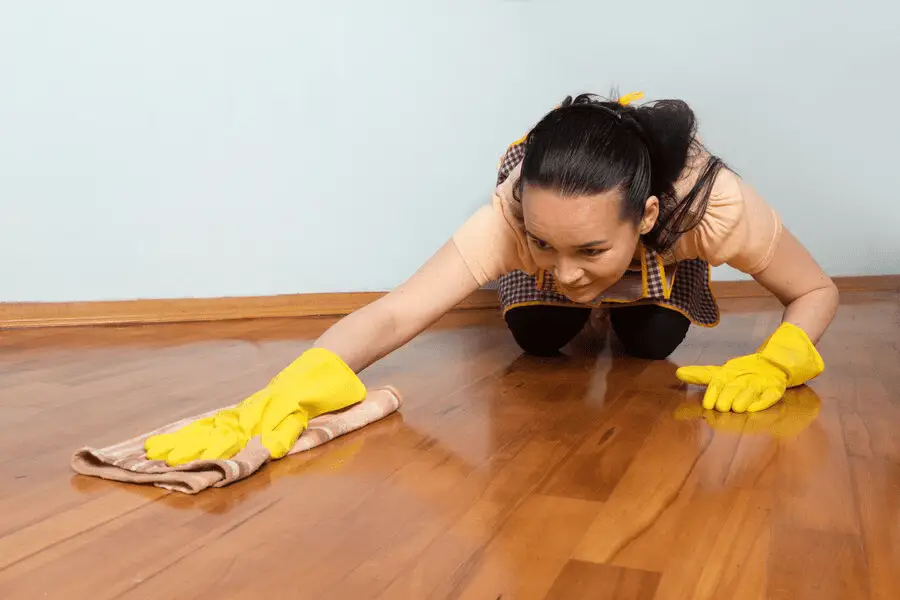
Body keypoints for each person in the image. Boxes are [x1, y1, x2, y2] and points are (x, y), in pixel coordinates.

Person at [146, 91, 839, 466]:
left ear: (648, 213)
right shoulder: (509, 216)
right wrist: (289, 388)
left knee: (653, 343)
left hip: (659, 267)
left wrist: (782, 361)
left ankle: (625, 300)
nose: (564, 272)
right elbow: (394, 314)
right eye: (543, 242)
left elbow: (815, 290)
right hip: (572, 245)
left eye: (590, 248)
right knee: (541, 332)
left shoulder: (711, 206)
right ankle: (589, 293)